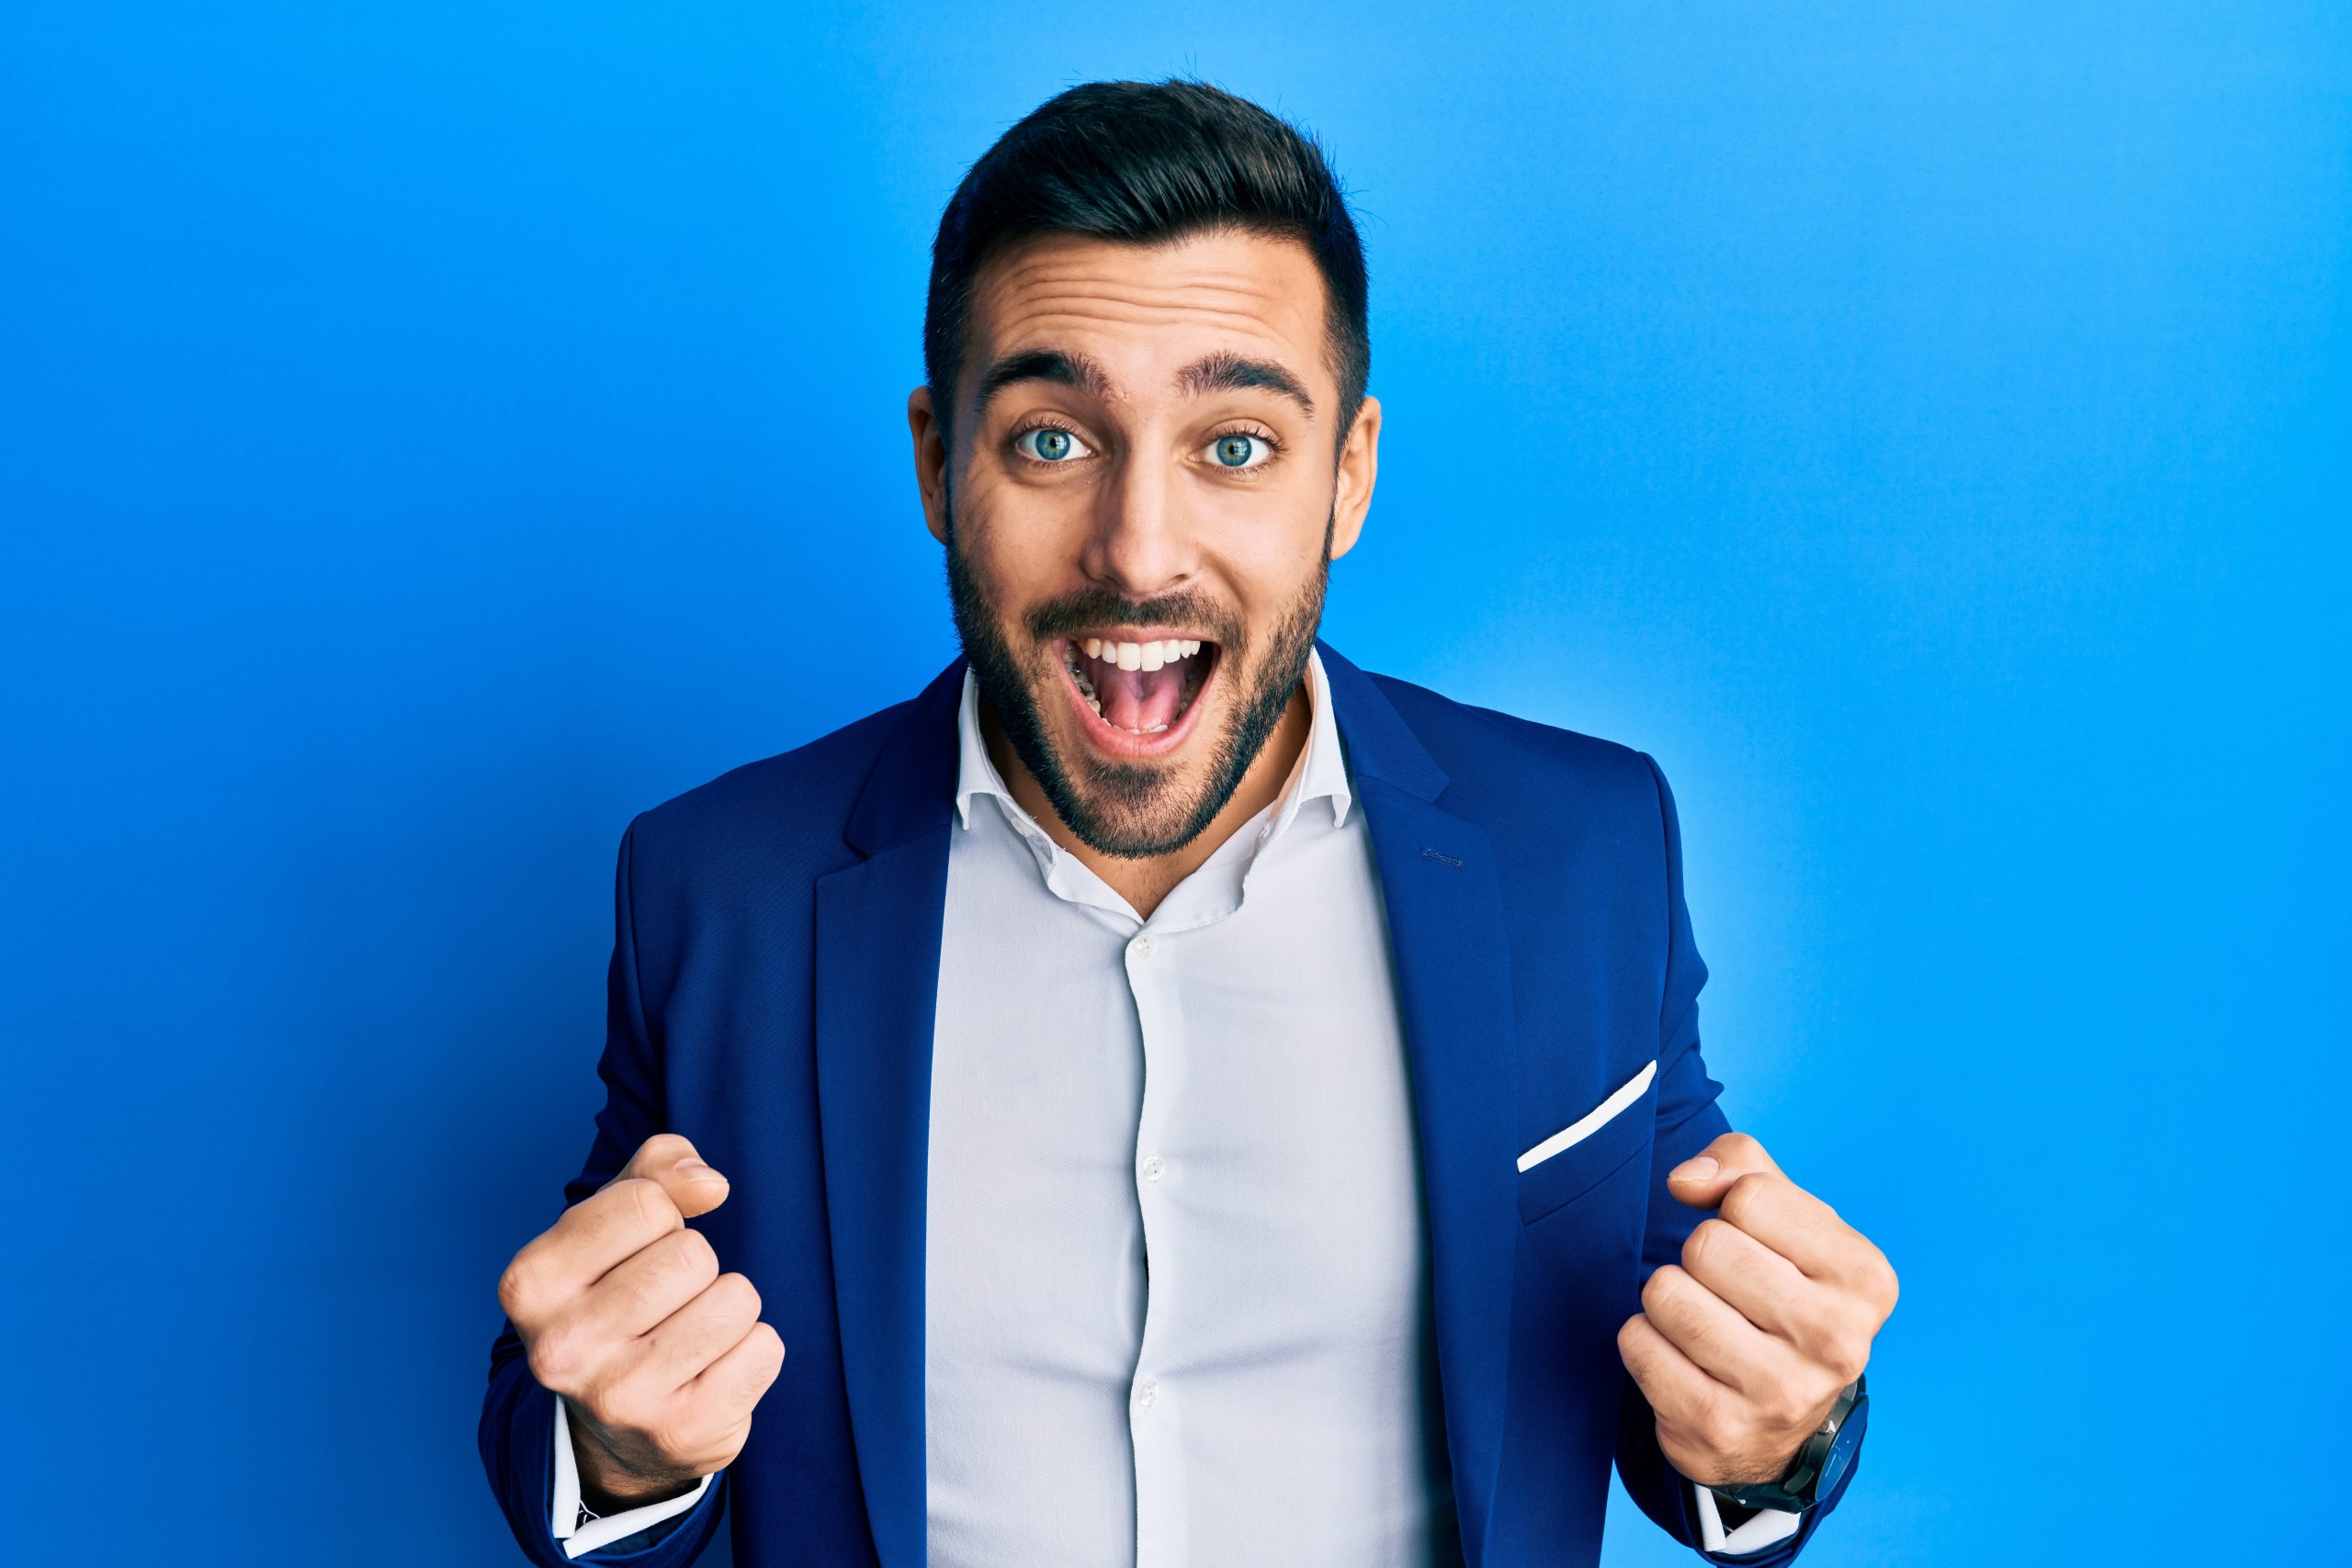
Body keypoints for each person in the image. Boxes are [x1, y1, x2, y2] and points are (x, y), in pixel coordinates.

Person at [478, 77, 1898, 1568]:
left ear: (1345, 476)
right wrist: (616, 1449)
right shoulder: (719, 891)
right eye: (1049, 440)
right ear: (934, 467)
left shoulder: (1585, 848)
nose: (1139, 549)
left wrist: (1775, 1440)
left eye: (1234, 444)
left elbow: (1688, 1380)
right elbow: (582, 1378)